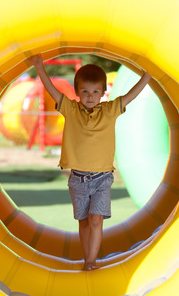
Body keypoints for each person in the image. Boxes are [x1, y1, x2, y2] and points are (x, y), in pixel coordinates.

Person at [27, 54, 151, 271]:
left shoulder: (111, 110)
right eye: (85, 91)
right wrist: (39, 67)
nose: (90, 96)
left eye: (95, 91)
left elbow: (131, 95)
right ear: (77, 92)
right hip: (78, 179)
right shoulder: (71, 109)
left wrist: (147, 76)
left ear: (103, 92)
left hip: (102, 178)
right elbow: (52, 90)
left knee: (96, 220)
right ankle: (87, 259)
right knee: (83, 222)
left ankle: (92, 261)